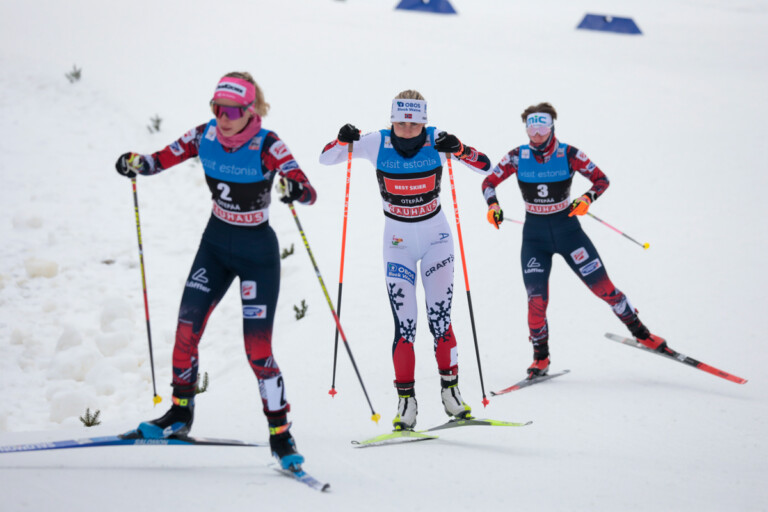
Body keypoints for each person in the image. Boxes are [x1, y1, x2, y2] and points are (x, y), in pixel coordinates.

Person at [114, 72, 316, 470]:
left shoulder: (268, 144)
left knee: (257, 350)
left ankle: (281, 434)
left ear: (251, 110)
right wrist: (134, 162)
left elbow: (307, 188)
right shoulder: (201, 137)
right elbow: (156, 161)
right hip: (215, 246)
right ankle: (179, 415)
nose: (223, 118)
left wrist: (294, 190)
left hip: (256, 253)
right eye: (217, 108)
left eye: (233, 110)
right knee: (186, 328)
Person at [318, 90, 492, 430]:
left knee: (440, 319)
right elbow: (326, 159)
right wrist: (341, 139)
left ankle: (451, 393)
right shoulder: (375, 142)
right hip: (397, 244)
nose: (408, 128)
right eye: (401, 121)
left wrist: (459, 149)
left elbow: (485, 165)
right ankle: (406, 403)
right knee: (406, 326)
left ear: (424, 121)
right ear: (392, 119)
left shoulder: (437, 140)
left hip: (436, 241)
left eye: (414, 122)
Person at [481, 102, 666, 378]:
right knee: (536, 300)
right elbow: (488, 183)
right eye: (531, 126)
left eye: (542, 126)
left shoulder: (569, 154)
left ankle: (641, 332)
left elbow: (601, 179)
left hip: (569, 232)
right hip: (535, 238)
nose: (537, 133)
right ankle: (540, 358)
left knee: (604, 289)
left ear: (552, 126)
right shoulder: (516, 157)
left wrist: (586, 198)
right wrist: (493, 206)